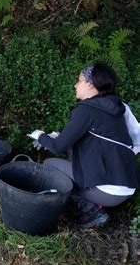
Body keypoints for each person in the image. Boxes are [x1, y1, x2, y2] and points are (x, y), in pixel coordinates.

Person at [28, 63, 139, 228]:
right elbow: (135, 137)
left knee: (50, 165)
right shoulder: (120, 107)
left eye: (79, 81)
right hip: (128, 186)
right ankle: (97, 198)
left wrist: (40, 135)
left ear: (90, 84)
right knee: (73, 157)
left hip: (107, 192)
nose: (75, 85)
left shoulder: (86, 110)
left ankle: (93, 210)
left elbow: (58, 147)